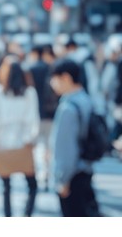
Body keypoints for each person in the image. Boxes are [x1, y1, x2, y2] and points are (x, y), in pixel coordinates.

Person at [0, 55, 40, 217]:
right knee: (32, 184)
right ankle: (26, 215)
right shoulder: (29, 93)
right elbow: (33, 118)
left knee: (6, 186)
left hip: (3, 143)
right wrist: (31, 139)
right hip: (23, 142)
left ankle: (8, 217)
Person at [49, 59, 99, 217]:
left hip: (71, 176)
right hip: (85, 169)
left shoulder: (67, 108)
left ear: (66, 78)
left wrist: (62, 180)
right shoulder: (87, 100)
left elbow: (66, 149)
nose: (52, 83)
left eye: (54, 78)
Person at [26, 46, 57, 191]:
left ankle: (37, 172)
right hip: (51, 112)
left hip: (35, 113)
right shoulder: (51, 68)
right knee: (48, 145)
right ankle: (46, 173)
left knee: (35, 145)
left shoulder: (31, 69)